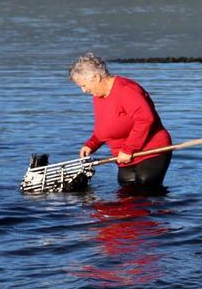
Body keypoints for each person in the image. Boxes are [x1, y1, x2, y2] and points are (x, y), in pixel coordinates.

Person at [70, 53, 172, 190]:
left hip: (151, 151)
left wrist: (129, 148)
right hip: (124, 158)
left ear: (96, 77)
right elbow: (105, 128)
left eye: (83, 85)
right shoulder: (98, 96)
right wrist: (91, 144)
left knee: (146, 194)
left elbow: (145, 119)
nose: (83, 90)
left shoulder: (126, 90)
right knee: (125, 194)